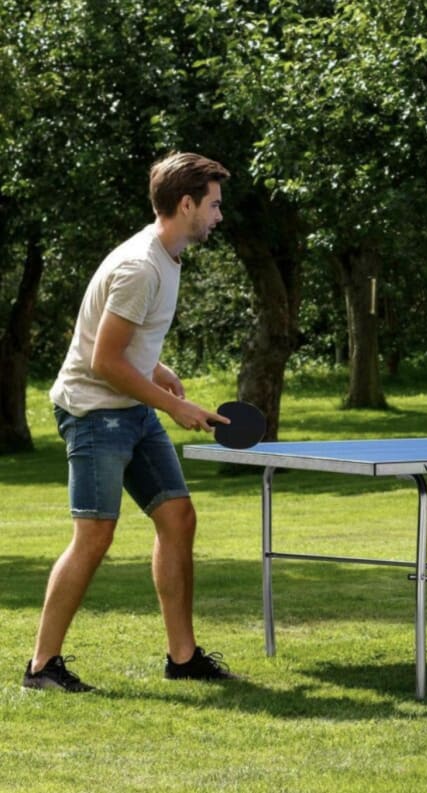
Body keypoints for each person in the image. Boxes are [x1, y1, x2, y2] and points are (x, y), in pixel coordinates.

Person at [23, 152, 239, 692]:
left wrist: (156, 369)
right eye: (214, 205)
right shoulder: (140, 266)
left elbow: (120, 340)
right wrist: (174, 406)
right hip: (94, 412)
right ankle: (42, 666)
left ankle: (183, 658)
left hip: (130, 408)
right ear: (186, 204)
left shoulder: (168, 257)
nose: (219, 215)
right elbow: (104, 361)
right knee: (95, 535)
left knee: (178, 518)